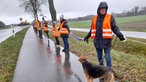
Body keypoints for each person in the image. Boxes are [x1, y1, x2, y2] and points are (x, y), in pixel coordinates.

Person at [84, 2, 126, 68]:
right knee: (100, 58)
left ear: (106, 9)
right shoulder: (94, 18)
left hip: (106, 42)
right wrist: (87, 37)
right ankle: (101, 73)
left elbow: (115, 28)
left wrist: (120, 35)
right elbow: (92, 30)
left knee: (108, 58)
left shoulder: (110, 17)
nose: (103, 10)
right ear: (99, 9)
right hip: (97, 42)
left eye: (105, 9)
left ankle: (109, 72)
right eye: (102, 9)